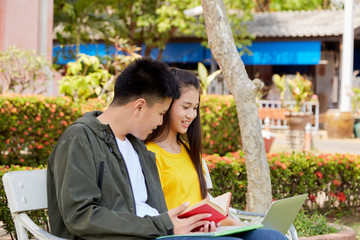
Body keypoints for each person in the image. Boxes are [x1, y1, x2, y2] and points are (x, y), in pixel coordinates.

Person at [47, 58, 235, 240]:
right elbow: (80, 217)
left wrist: (186, 225)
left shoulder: (136, 145)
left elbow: (154, 212)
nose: (161, 122)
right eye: (161, 113)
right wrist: (162, 226)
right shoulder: (80, 138)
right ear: (139, 107)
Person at [145, 67, 288, 239]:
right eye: (186, 107)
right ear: (165, 105)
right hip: (174, 235)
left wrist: (237, 224)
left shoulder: (190, 153)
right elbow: (150, 212)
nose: (191, 115)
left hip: (205, 231)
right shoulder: (149, 154)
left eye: (195, 108)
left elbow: (205, 204)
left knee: (272, 236)